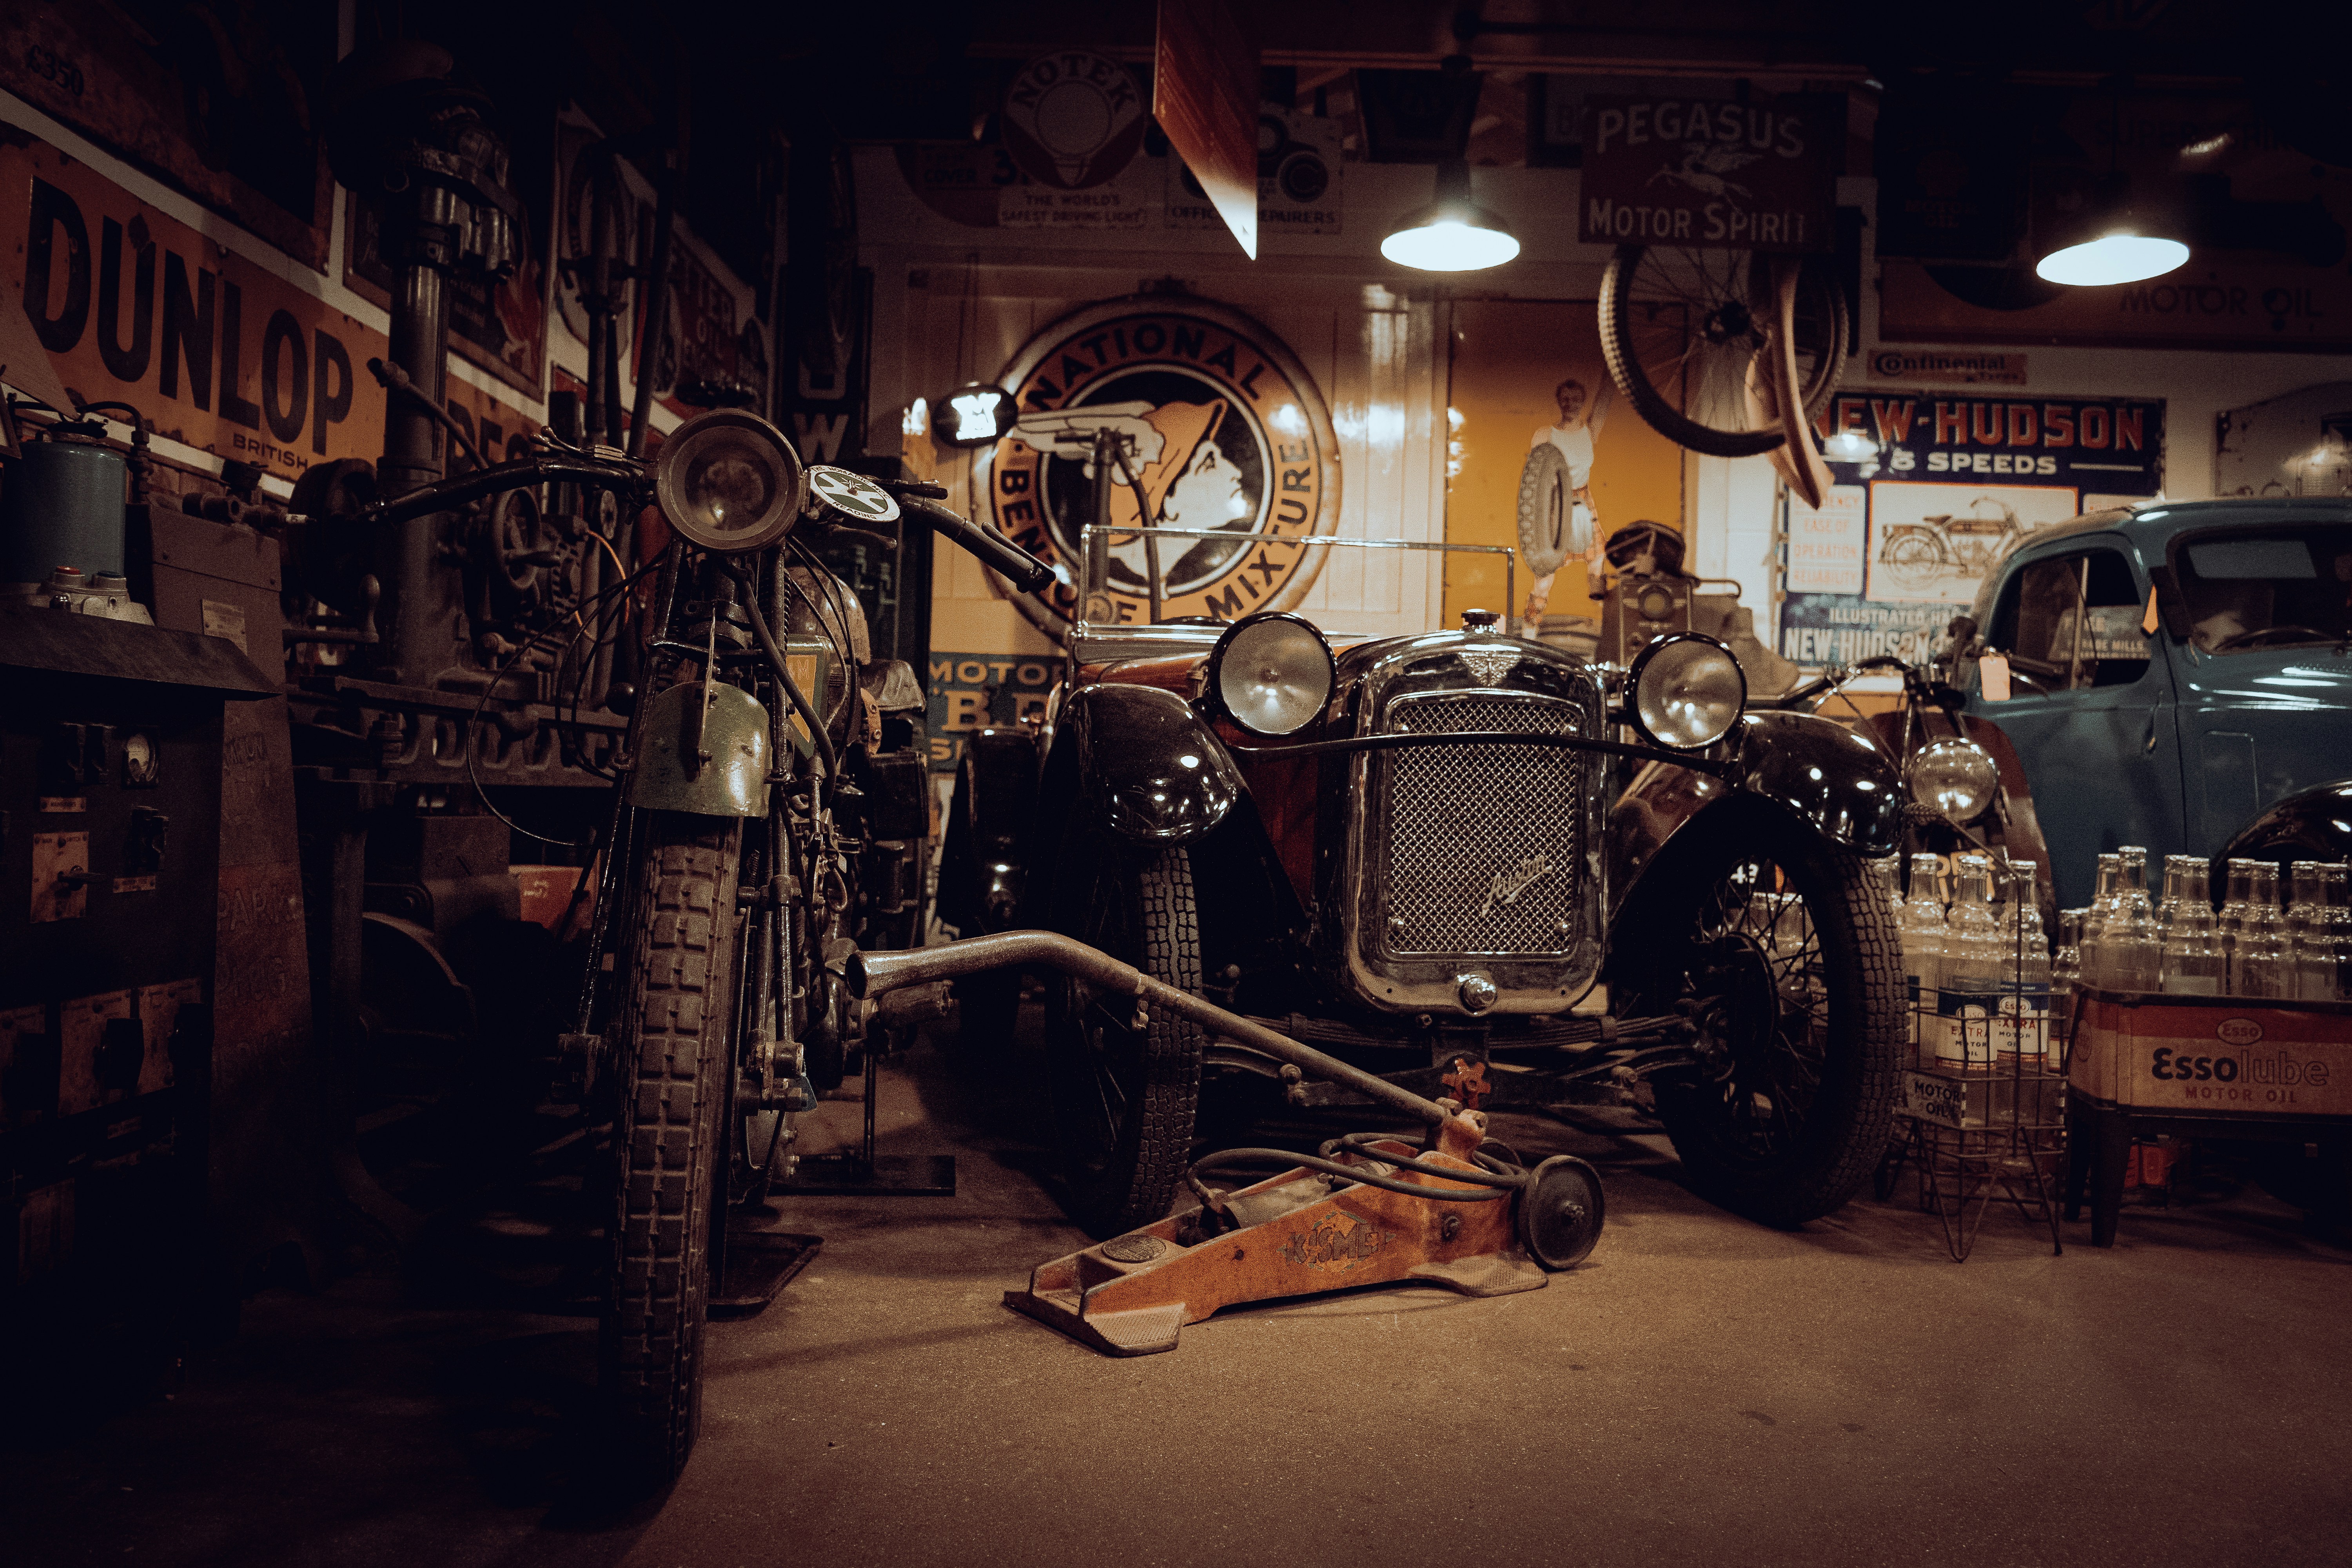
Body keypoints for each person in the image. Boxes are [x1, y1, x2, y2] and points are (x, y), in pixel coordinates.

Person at [1522, 377, 1612, 627]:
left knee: (1598, 559)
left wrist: (1617, 364)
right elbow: (1535, 475)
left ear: (1583, 402)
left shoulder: (1589, 431)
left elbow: (1606, 397)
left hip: (1583, 500)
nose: (1570, 404)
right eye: (1565, 399)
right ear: (1559, 401)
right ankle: (1530, 628)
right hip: (1555, 503)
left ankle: (1608, 624)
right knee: (1545, 577)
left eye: (1576, 399)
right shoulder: (1545, 435)